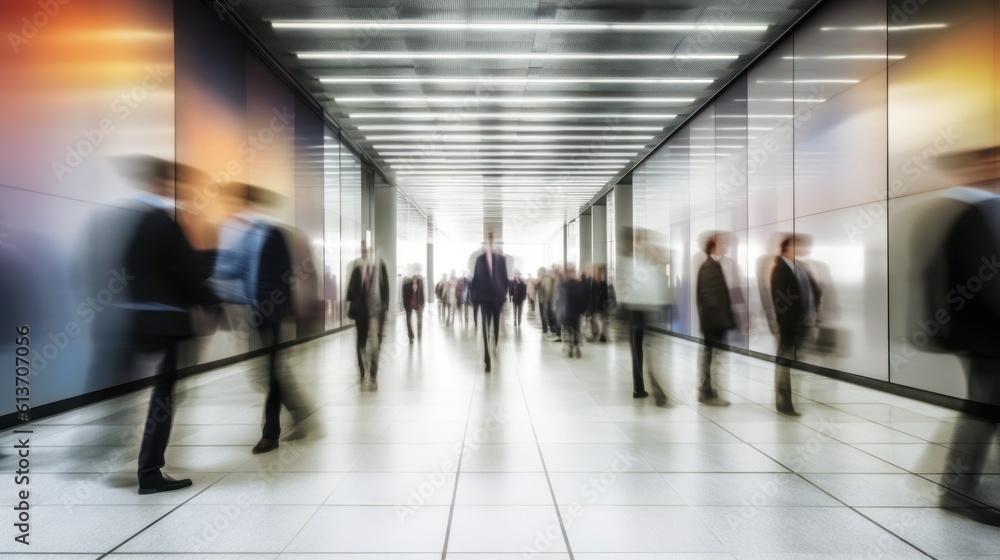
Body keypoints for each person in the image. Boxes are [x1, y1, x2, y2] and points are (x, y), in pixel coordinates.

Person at [114, 156, 219, 494]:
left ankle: (142, 465)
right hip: (167, 321)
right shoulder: (163, 222)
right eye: (183, 186)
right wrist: (212, 302)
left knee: (152, 392)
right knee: (164, 397)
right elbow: (187, 271)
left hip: (142, 318)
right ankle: (150, 472)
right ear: (167, 184)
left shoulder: (136, 221)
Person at [212, 183, 309, 453]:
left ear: (248, 205)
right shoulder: (245, 237)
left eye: (236, 204)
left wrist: (282, 311)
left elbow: (285, 275)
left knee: (272, 371)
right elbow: (234, 269)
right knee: (266, 373)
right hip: (254, 312)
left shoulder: (273, 233)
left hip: (273, 314)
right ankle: (299, 412)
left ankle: (271, 433)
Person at [770, 234, 821, 416]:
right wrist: (786, 323)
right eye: (797, 246)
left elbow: (813, 290)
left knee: (790, 361)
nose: (801, 249)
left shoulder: (799, 267)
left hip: (803, 323)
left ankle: (788, 400)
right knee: (784, 362)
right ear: (787, 247)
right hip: (789, 325)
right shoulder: (780, 268)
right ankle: (783, 403)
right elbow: (780, 301)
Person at [618, 227, 670, 398]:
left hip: (650, 307)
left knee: (650, 349)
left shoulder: (646, 256)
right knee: (639, 350)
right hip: (636, 309)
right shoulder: (628, 259)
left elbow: (662, 270)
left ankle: (649, 385)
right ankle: (641, 387)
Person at [695, 232, 735, 406]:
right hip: (713, 323)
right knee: (711, 357)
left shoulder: (714, 265)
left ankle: (708, 391)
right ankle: (707, 393)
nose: (726, 244)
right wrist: (721, 322)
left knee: (711, 357)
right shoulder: (709, 267)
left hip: (714, 323)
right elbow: (709, 298)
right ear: (714, 245)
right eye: (722, 242)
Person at [346, 241, 389, 388]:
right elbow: (350, 292)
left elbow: (386, 289)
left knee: (375, 345)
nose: (366, 253)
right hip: (362, 313)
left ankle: (373, 378)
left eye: (369, 250)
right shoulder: (357, 268)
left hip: (376, 313)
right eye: (364, 251)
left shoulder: (380, 266)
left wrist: (384, 309)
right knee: (361, 344)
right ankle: (362, 371)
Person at [471, 231, 509, 372]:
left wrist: (503, 295)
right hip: (484, 299)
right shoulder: (480, 260)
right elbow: (475, 280)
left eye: (493, 239)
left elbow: (505, 280)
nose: (491, 242)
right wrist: (476, 298)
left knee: (496, 326)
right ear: (486, 243)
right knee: (485, 328)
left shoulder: (501, 260)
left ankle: (494, 346)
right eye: (489, 239)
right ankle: (487, 357)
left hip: (497, 299)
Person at [588, 265, 611, 343]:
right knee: (594, 320)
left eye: (597, 273)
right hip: (595, 306)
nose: (596, 275)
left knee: (599, 320)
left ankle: (600, 334)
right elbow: (591, 295)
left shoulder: (603, 284)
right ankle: (597, 335)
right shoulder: (594, 283)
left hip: (600, 306)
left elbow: (604, 297)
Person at [402, 270, 425, 343]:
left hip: (418, 305)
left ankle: (419, 335)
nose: (415, 279)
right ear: (412, 279)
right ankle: (411, 336)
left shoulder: (420, 285)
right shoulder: (407, 285)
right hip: (409, 305)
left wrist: (422, 305)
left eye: (416, 278)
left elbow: (422, 295)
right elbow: (404, 296)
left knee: (420, 320)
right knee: (408, 320)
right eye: (414, 278)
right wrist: (405, 305)